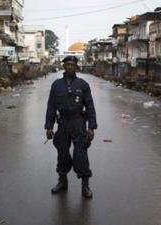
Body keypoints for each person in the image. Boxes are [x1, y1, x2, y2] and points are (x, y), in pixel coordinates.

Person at [45, 56, 97, 199]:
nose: (69, 67)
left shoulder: (83, 85)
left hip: (78, 122)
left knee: (80, 153)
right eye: (67, 64)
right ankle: (62, 181)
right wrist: (49, 126)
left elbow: (90, 106)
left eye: (72, 64)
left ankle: (85, 185)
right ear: (63, 66)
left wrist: (91, 127)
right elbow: (51, 106)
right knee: (62, 153)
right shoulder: (56, 85)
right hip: (63, 123)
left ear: (76, 67)